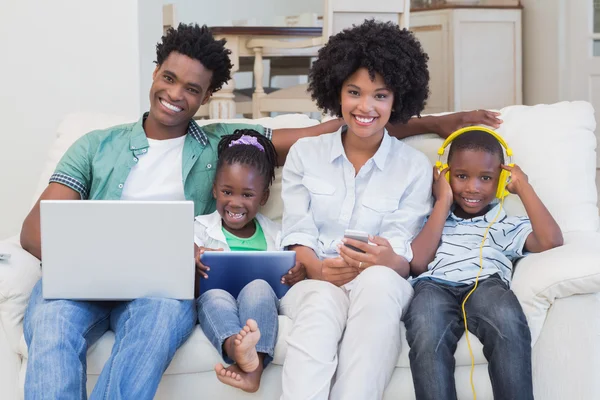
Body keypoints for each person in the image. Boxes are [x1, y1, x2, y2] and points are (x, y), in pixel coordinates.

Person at [18, 22, 501, 400]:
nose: (176, 94)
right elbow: (35, 233)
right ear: (154, 75)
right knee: (53, 325)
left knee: (156, 328)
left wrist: (440, 122)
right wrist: (125, 252)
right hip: (86, 275)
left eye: (192, 88)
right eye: (169, 78)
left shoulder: (223, 144)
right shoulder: (94, 145)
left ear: (206, 98)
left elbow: (348, 125)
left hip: (162, 285)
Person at [279, 20, 433, 399]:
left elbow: (404, 259)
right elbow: (297, 232)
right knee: (319, 303)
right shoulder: (305, 154)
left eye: (380, 95)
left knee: (379, 283)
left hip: (379, 280)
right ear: (336, 93)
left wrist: (380, 261)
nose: (366, 107)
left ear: (398, 100)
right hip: (317, 278)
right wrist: (320, 270)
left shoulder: (414, 167)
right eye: (354, 92)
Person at [405, 129, 563, 400]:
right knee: (426, 331)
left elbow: (551, 241)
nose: (472, 188)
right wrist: (443, 200)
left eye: (486, 178)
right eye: (462, 176)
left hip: (487, 284)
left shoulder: (503, 222)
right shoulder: (430, 217)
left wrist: (523, 187)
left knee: (508, 324)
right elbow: (418, 264)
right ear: (445, 174)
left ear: (500, 182)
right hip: (433, 286)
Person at [194, 129, 305, 393]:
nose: (235, 202)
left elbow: (288, 274)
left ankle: (255, 365)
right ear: (214, 190)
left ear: (263, 197)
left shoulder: (277, 235)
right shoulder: (197, 229)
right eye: (227, 192)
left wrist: (297, 274)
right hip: (215, 298)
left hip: (258, 301)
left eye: (247, 195)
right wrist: (192, 255)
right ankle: (235, 345)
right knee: (213, 297)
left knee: (259, 287)